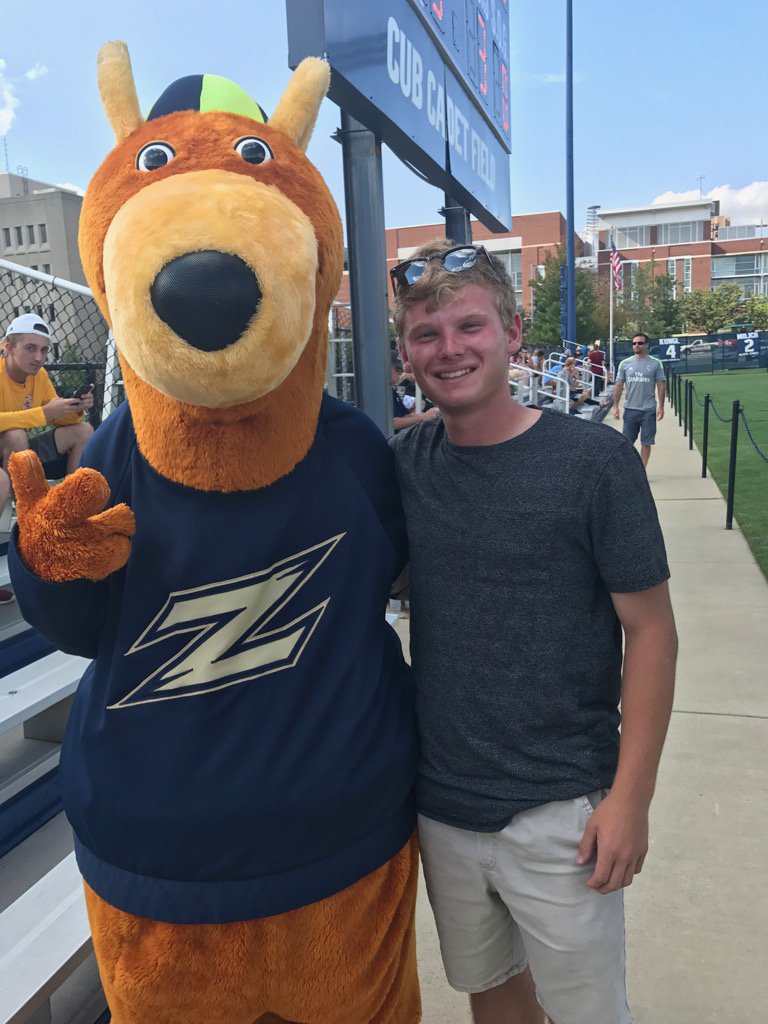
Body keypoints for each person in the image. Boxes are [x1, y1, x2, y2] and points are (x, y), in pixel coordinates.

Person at [389, 239, 678, 1024]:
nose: (449, 349)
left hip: (563, 809)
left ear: (513, 332)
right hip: (444, 802)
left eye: (469, 326)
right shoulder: (406, 464)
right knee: (494, 1000)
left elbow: (652, 633)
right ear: (407, 352)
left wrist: (631, 799)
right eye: (426, 334)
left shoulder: (595, 463)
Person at [0, 314, 94, 604]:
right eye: (30, 348)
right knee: (14, 437)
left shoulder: (38, 376)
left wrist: (75, 409)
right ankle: (33, 519)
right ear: (8, 347)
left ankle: (70, 518)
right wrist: (43, 414)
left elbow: (56, 417)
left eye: (44, 350)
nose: (39, 358)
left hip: (19, 456)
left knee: (83, 430)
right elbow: (41, 416)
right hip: (10, 456)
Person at [612, 332, 666, 469]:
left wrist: (661, 406)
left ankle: (642, 470)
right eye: (634, 343)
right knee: (627, 443)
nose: (637, 345)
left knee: (646, 442)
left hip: (648, 409)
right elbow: (619, 385)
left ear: (646, 345)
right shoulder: (624, 364)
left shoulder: (655, 363)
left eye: (640, 343)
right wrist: (615, 406)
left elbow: (661, 384)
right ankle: (629, 469)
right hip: (630, 408)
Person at [391, 350, 439, 432]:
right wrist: (424, 417)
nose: (400, 373)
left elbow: (405, 416)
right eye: (398, 369)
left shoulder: (391, 391)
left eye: (401, 370)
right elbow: (392, 423)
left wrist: (429, 414)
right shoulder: (380, 392)